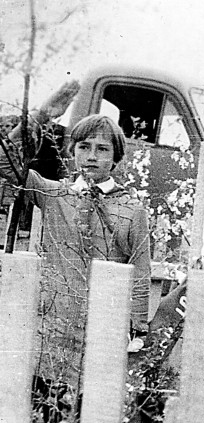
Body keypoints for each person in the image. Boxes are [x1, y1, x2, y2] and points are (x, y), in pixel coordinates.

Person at [0, 82, 151, 385]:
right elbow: (5, 161)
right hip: (52, 329)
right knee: (46, 401)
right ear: (72, 152)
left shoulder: (131, 209)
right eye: (84, 147)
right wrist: (42, 116)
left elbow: (140, 273)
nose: (92, 156)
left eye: (102, 149)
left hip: (100, 333)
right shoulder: (53, 194)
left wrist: (137, 331)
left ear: (116, 158)